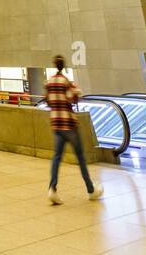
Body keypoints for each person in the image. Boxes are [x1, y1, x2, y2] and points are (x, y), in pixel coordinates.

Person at [44, 55, 103, 205]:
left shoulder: (49, 82)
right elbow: (74, 97)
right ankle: (91, 190)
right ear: (63, 66)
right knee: (81, 158)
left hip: (56, 124)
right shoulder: (65, 81)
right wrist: (75, 90)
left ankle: (52, 188)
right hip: (69, 125)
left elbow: (48, 101)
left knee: (57, 157)